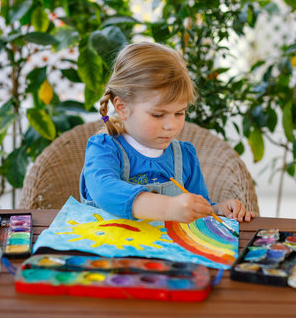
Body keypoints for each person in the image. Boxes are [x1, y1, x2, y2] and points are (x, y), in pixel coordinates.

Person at [79, 41, 255, 223]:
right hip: (109, 249)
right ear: (122, 108)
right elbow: (103, 190)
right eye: (158, 114)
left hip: (165, 250)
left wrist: (217, 209)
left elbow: (196, 207)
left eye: (179, 112)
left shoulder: (184, 156)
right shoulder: (104, 148)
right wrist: (166, 208)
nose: (171, 125)